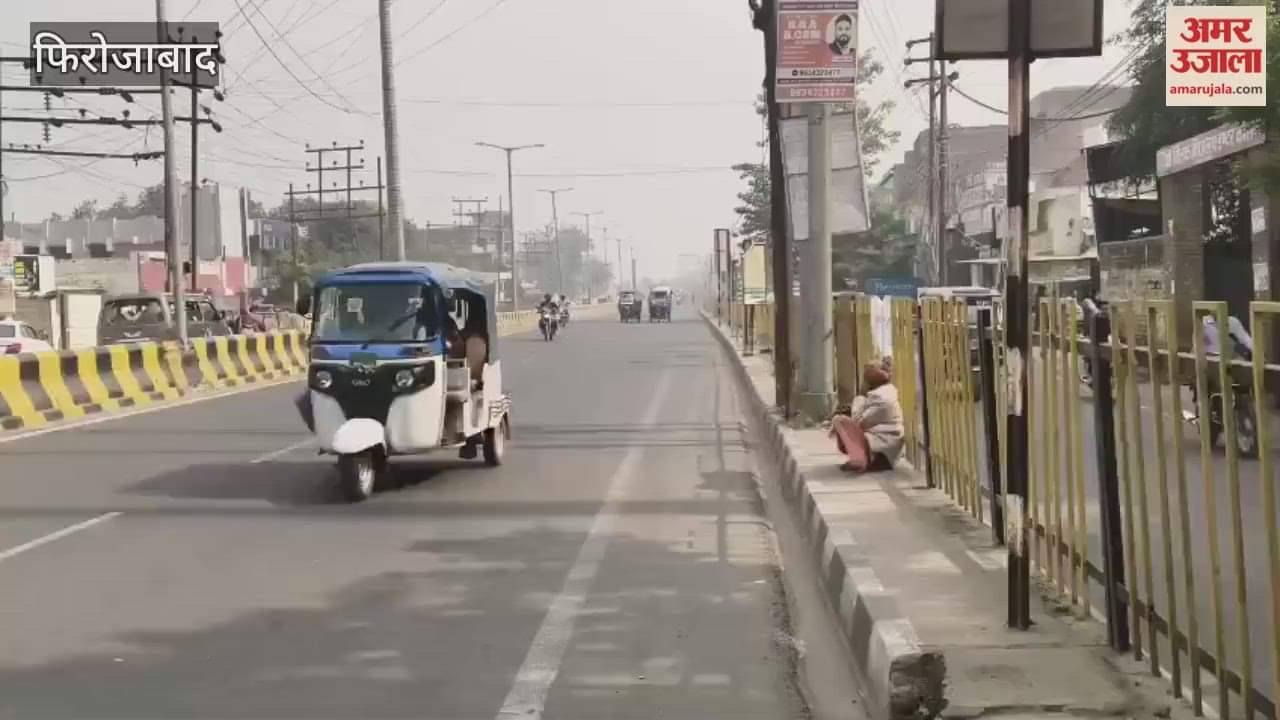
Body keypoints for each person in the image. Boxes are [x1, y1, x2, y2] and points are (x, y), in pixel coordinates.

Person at [828, 361, 905, 473]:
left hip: (881, 451)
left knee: (840, 420)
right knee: (842, 419)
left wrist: (859, 398)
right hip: (886, 450)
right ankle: (861, 458)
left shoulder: (879, 397)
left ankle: (859, 461)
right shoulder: (886, 393)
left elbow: (858, 421)